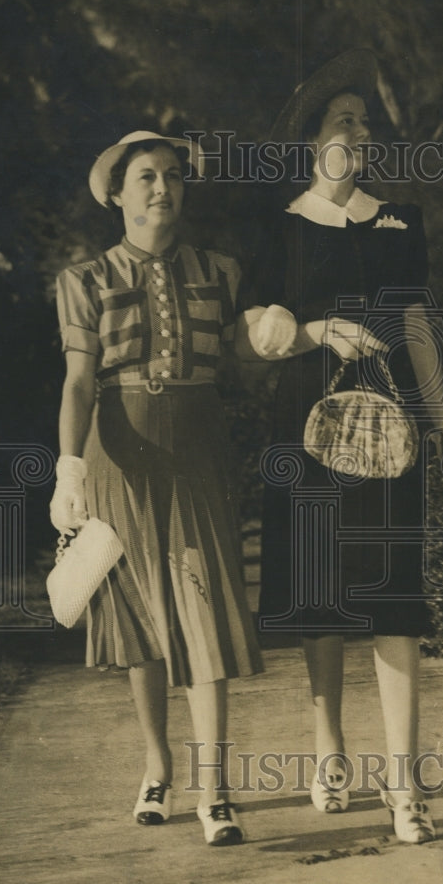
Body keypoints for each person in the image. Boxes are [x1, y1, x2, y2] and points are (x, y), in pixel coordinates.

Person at [237, 50, 443, 844]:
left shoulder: (399, 222)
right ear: (310, 140)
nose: (359, 132)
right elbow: (254, 334)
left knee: (394, 601)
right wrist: (310, 332)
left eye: (364, 122)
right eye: (344, 120)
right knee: (320, 594)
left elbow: (414, 330)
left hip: (391, 430)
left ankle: (404, 787)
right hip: (305, 425)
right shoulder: (280, 227)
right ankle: (329, 750)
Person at [50, 130, 263, 846]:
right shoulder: (82, 279)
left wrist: (285, 335)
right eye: (144, 177)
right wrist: (69, 467)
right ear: (115, 192)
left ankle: (214, 786)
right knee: (139, 620)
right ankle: (156, 764)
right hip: (119, 450)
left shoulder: (221, 270)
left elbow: (245, 363)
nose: (161, 188)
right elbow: (80, 381)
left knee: (203, 608)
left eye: (173, 176)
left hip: (198, 448)